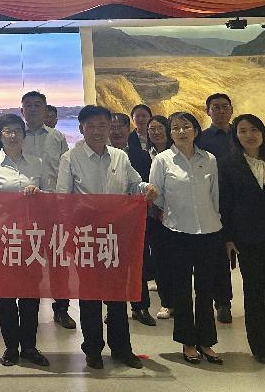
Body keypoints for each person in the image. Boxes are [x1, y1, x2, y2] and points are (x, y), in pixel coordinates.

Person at [55, 104, 157, 370]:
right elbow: (63, 200)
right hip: (86, 237)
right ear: (81, 129)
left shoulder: (120, 157)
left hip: (117, 235)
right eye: (91, 126)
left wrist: (147, 187)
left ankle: (122, 349)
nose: (98, 131)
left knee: (117, 295)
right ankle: (92, 350)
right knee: (89, 296)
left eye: (103, 125)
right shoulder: (70, 158)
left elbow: (134, 184)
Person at [149, 111, 223, 365]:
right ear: (170, 133)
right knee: (181, 290)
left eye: (186, 126)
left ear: (196, 130)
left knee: (205, 290)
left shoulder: (209, 159)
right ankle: (187, 341)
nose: (181, 131)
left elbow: (215, 195)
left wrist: (218, 222)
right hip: (177, 233)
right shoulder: (162, 160)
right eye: (176, 127)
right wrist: (171, 212)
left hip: (209, 231)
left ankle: (206, 341)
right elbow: (157, 197)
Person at [0, 114, 49, 368]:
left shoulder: (37, 163)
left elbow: (50, 197)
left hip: (30, 238)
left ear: (24, 135)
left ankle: (29, 346)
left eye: (17, 130)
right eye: (7, 131)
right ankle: (10, 347)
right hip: (1, 238)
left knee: (31, 294)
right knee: (5, 295)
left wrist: (39, 193)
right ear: (0, 136)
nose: (13, 135)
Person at [221, 114, 265, 364]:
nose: (249, 135)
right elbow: (225, 204)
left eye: (254, 130)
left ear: (262, 133)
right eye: (243, 131)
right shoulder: (229, 165)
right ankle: (260, 347)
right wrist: (228, 237)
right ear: (236, 136)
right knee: (253, 291)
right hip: (247, 238)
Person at [21, 90, 75, 330]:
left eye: (37, 105)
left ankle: (61, 309)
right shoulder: (17, 135)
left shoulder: (57, 137)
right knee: (28, 259)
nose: (33, 109)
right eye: (28, 105)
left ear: (45, 110)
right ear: (22, 110)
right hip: (23, 207)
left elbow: (66, 170)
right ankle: (28, 309)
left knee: (58, 260)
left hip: (54, 207)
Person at [109, 113, 155, 327]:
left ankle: (140, 306)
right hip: (108, 221)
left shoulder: (141, 156)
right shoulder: (102, 155)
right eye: (112, 127)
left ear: (129, 129)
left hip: (135, 219)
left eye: (121, 126)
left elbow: (144, 184)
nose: (116, 131)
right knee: (111, 264)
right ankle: (114, 308)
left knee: (138, 263)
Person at [196, 93, 235, 324]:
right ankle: (223, 302)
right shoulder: (201, 139)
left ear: (231, 110)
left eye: (224, 107)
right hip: (215, 204)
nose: (220, 111)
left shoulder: (241, 134)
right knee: (219, 257)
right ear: (208, 111)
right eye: (216, 107)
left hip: (241, 205)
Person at [146, 115, 174, 320]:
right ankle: (167, 302)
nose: (156, 132)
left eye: (159, 128)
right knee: (161, 259)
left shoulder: (178, 153)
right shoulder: (143, 155)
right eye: (152, 129)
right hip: (154, 216)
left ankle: (181, 301)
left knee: (178, 260)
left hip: (178, 214)